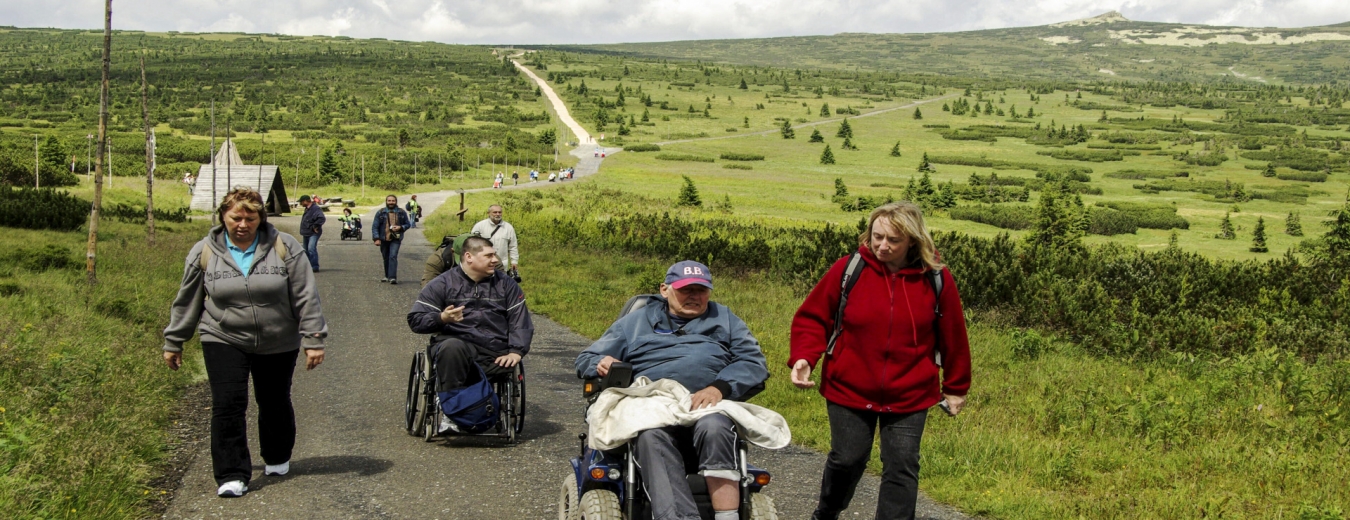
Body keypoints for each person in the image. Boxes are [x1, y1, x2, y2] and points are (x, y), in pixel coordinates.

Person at [789, 202, 972, 520]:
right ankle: (827, 512)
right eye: (877, 236)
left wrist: (956, 387)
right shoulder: (849, 269)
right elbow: (813, 317)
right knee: (847, 459)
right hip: (849, 387)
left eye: (893, 240)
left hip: (910, 392)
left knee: (902, 466)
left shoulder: (937, 279)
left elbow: (953, 335)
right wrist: (805, 357)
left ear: (912, 241)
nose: (882, 246)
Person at [162, 187, 327, 499]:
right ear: (223, 216)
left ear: (260, 217)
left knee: (274, 400)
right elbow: (187, 300)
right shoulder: (204, 251)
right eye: (235, 217)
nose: (242, 223)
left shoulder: (284, 246)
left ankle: (277, 455)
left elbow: (306, 295)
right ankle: (232, 474)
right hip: (223, 336)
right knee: (228, 404)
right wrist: (175, 340)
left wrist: (313, 338)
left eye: (250, 217)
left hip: (278, 338)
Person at [575, 260, 768, 520]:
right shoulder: (635, 322)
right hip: (653, 403)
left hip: (705, 402)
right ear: (665, 290)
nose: (694, 296)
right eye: (686, 289)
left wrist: (719, 387)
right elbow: (587, 357)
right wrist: (601, 362)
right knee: (651, 436)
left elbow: (753, 362)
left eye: (701, 290)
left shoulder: (725, 319)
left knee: (716, 427)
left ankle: (728, 516)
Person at [407, 236, 534, 434]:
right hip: (454, 351)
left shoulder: (507, 285)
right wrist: (442, 318)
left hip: (493, 352)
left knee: (498, 358)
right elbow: (416, 320)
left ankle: (483, 408)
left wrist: (516, 351)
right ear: (469, 257)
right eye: (489, 255)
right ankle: (452, 414)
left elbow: (520, 320)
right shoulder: (442, 284)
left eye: (495, 255)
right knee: (452, 347)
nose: (495, 260)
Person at [372, 194, 411, 285]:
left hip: (396, 238)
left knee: (393, 256)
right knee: (386, 257)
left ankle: (392, 277)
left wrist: (401, 227)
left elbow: (408, 224)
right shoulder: (380, 212)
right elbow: (375, 226)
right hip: (383, 238)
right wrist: (376, 238)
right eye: (389, 201)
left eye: (393, 201)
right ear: (386, 201)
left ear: (396, 202)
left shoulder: (401, 212)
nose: (391, 202)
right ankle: (387, 276)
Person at [470, 205, 519, 274]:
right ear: (488, 213)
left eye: (499, 212)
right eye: (495, 212)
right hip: (484, 264)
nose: (498, 214)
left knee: (501, 284)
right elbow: (472, 244)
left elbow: (513, 246)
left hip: (501, 265)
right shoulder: (480, 226)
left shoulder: (508, 227)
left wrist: (514, 261)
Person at [297, 194, 325, 272]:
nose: (301, 204)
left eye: (302, 202)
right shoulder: (307, 209)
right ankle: (308, 266)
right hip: (306, 232)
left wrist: (315, 226)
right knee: (305, 250)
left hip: (313, 232)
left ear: (306, 201)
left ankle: (314, 266)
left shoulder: (315, 209)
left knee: (311, 249)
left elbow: (321, 218)